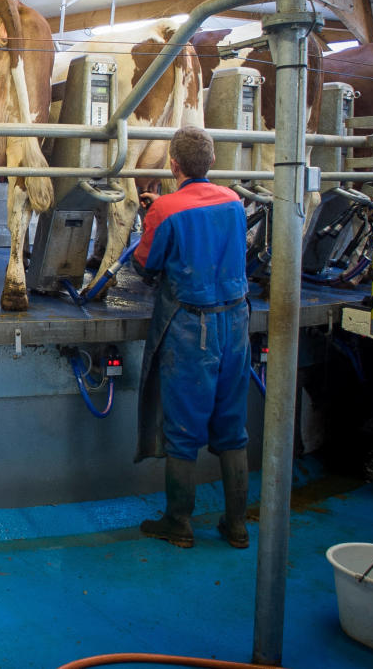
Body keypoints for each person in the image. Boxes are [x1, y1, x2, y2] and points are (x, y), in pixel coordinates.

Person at [133, 126, 251, 549]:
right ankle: (237, 527)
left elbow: (145, 266)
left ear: (173, 165)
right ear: (212, 163)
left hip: (192, 328)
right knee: (233, 428)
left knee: (182, 429)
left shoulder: (165, 209)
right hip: (236, 323)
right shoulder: (235, 201)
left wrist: (153, 214)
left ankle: (179, 523)